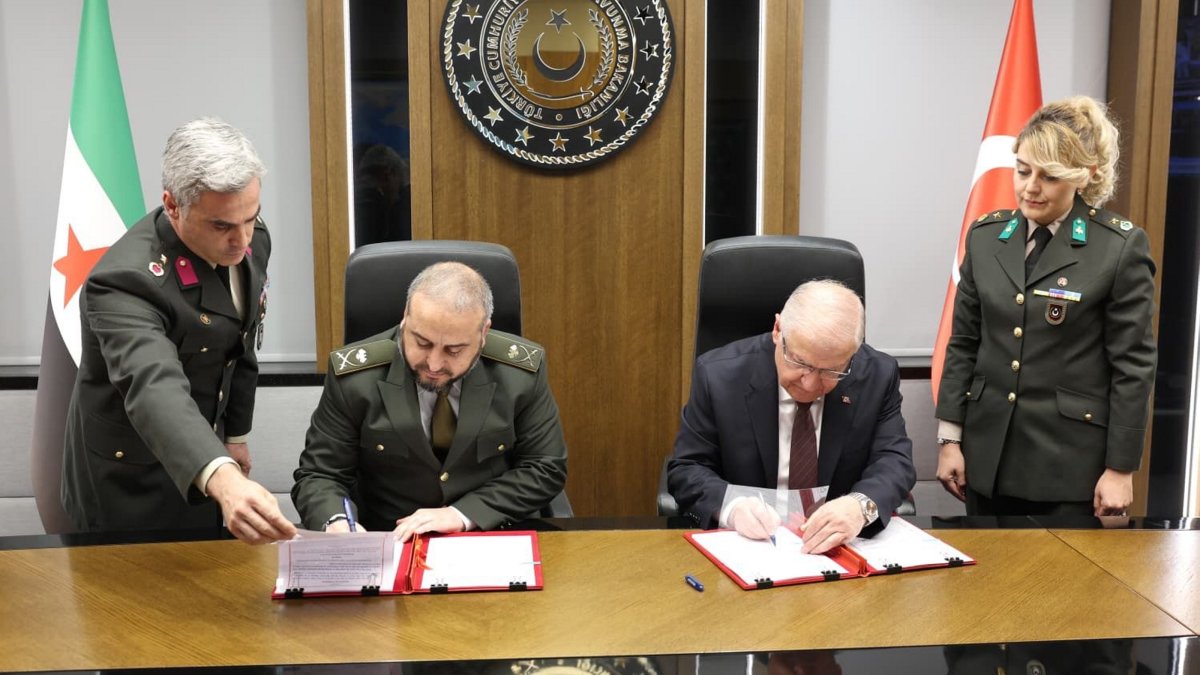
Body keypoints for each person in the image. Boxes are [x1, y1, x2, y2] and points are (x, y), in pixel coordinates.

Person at [61, 118, 296, 544]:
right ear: (172, 205)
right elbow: (155, 387)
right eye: (222, 226)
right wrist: (223, 479)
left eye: (251, 217)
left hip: (207, 458)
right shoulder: (124, 281)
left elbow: (239, 343)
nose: (242, 240)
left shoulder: (251, 238)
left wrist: (234, 438)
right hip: (129, 478)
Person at [935, 96, 1157, 517]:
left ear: (1083, 176)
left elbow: (1133, 366)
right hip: (986, 460)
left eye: (1049, 176)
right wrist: (950, 439)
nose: (1030, 187)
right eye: (1022, 171)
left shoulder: (1118, 248)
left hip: (1068, 468)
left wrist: (1121, 469)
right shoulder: (985, 237)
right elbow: (964, 343)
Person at [292, 261, 568, 540]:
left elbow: (545, 467)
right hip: (388, 539)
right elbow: (320, 475)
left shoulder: (519, 374)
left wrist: (462, 514)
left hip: (490, 535)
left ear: (483, 334)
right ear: (405, 319)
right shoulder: (355, 378)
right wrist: (337, 523)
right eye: (422, 343)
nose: (434, 364)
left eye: (454, 350)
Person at [667, 279, 915, 555]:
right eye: (799, 363)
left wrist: (860, 506)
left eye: (830, 371)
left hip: (839, 552)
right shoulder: (718, 376)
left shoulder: (877, 376)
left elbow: (894, 460)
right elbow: (688, 468)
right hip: (749, 549)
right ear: (777, 331)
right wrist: (732, 506)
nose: (809, 384)